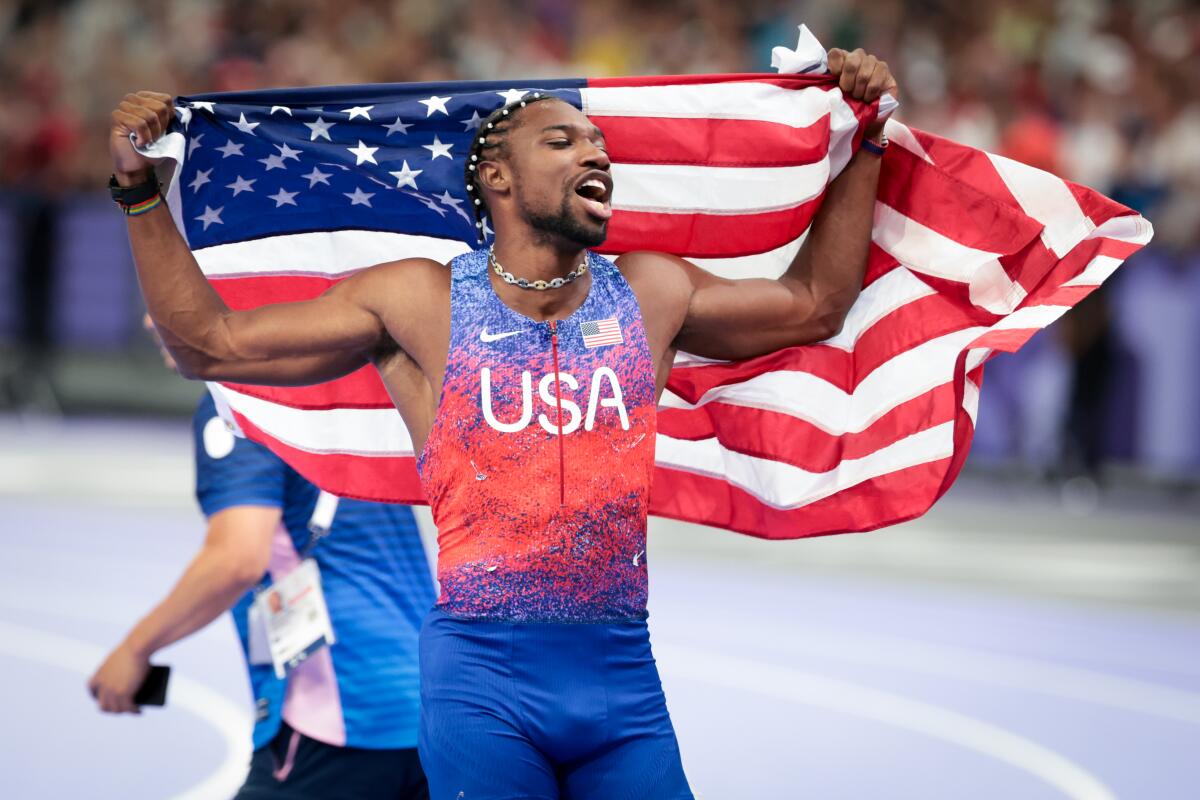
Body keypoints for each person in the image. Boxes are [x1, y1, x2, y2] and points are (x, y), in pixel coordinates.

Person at [107, 47, 897, 799]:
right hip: (481, 680)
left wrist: (863, 146)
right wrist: (140, 192)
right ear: (497, 179)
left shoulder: (651, 294)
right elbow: (209, 344)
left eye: (598, 144)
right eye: (564, 141)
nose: (596, 155)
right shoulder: (420, 303)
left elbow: (815, 306)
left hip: (622, 678)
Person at [88, 331, 435, 799]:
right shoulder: (340, 393)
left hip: (343, 712)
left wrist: (134, 649)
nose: (150, 320)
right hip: (432, 701)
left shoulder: (238, 407)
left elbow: (236, 558)